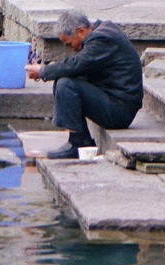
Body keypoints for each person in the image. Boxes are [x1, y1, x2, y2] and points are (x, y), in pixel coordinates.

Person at [26, 10, 142, 160]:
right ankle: (82, 140)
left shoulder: (102, 39)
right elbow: (79, 65)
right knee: (63, 80)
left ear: (80, 31)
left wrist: (43, 71)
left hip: (120, 111)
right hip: (114, 100)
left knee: (66, 85)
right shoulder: (101, 33)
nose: (71, 48)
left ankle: (78, 143)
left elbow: (77, 64)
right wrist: (51, 70)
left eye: (69, 43)